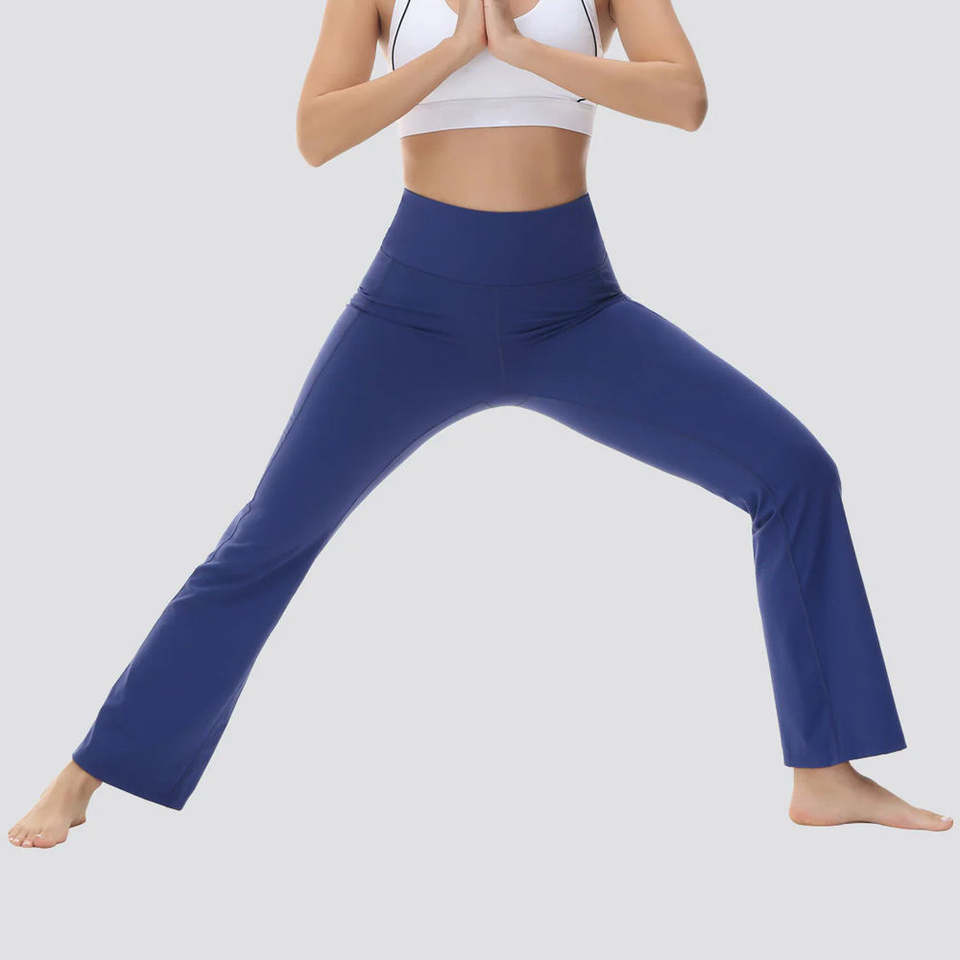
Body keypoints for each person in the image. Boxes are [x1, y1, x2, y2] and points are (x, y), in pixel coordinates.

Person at [9, 0, 952, 849]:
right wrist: (456, 48)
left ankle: (826, 774)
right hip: (412, 310)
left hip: (574, 309)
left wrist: (526, 52)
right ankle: (90, 771)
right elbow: (316, 133)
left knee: (793, 471)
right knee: (267, 537)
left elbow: (685, 99)